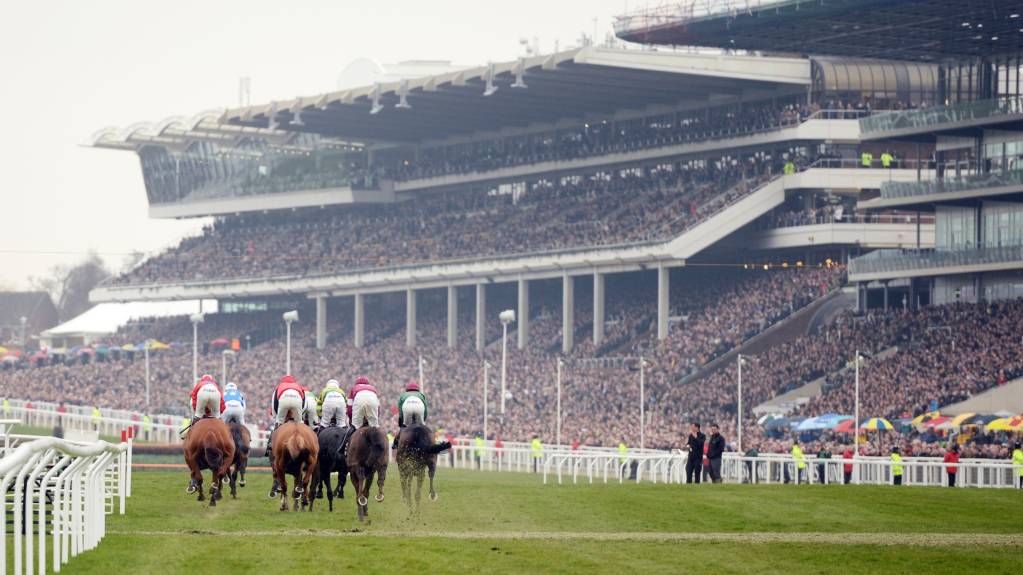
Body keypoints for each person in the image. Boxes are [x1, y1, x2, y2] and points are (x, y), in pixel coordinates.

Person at [265, 375, 305, 457]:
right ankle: (306, 442)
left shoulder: (279, 386)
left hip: (284, 400)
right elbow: (304, 403)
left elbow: (274, 403)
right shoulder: (298, 386)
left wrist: (276, 418)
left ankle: (271, 443)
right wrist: (300, 416)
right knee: (300, 424)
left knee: (279, 423)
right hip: (297, 400)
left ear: (283, 381)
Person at [392, 380, 428, 449]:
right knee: (423, 427)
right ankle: (429, 443)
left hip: (407, 407)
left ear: (407, 390)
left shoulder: (403, 395)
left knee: (404, 427)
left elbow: (400, 410)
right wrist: (423, 420)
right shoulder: (421, 395)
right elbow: (425, 410)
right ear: (417, 390)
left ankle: (395, 443)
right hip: (419, 407)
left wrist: (402, 422)